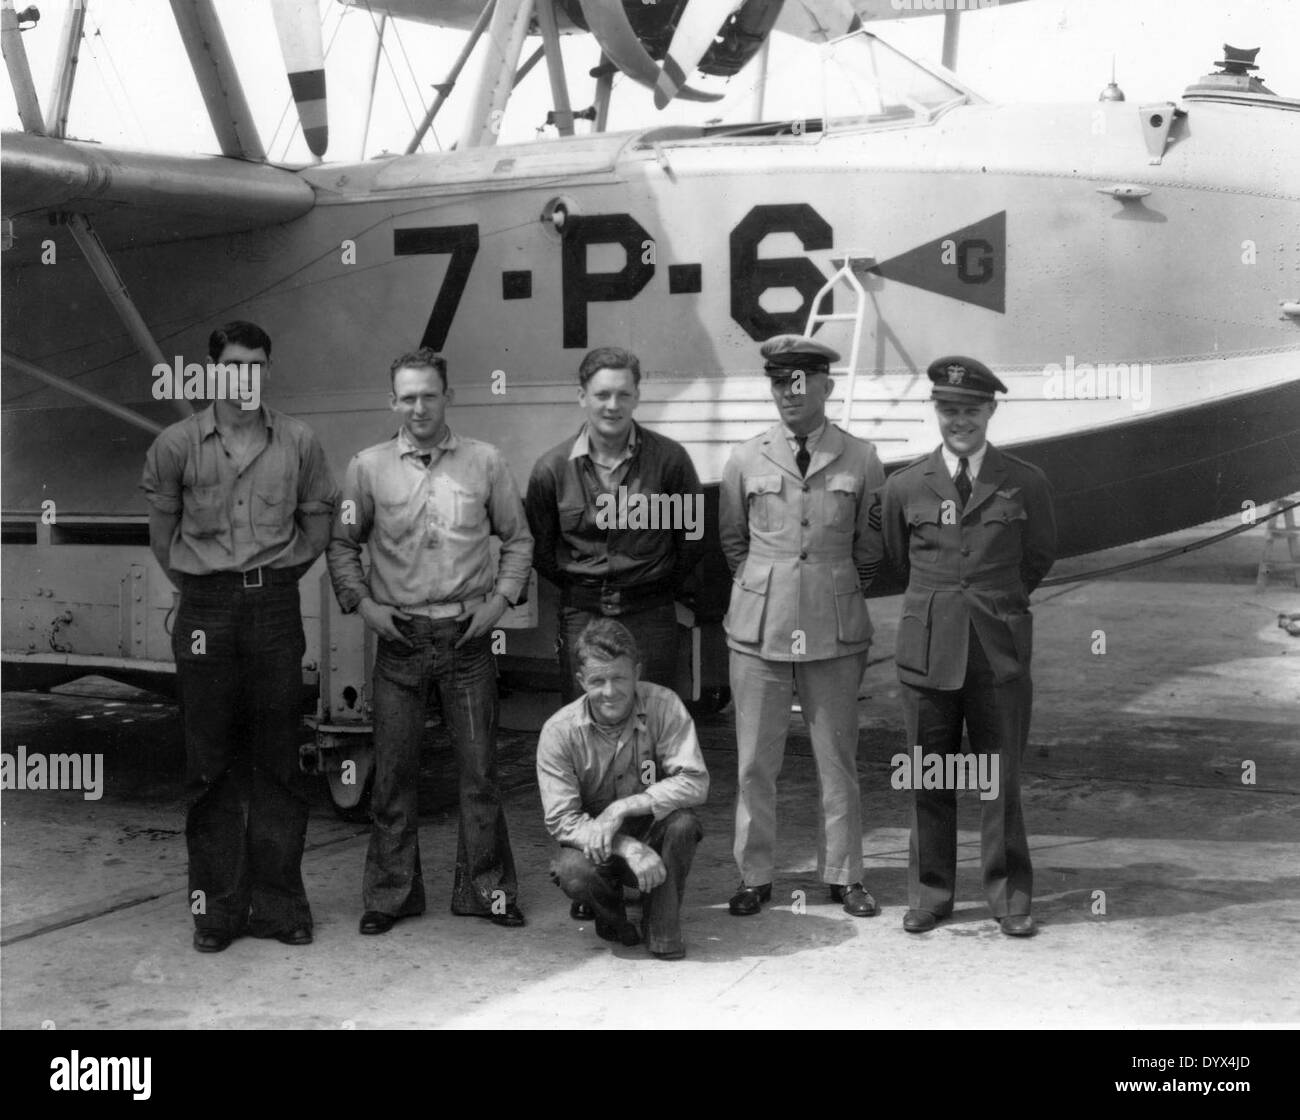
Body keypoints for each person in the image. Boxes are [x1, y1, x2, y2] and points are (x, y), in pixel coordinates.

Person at [141, 320, 337, 953]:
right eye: (233, 365)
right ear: (209, 370)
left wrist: (269, 580)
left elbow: (316, 529)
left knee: (279, 759)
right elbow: (162, 538)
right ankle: (217, 911)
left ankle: (280, 908)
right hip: (205, 614)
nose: (244, 377)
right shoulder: (176, 445)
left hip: (274, 610)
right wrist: (209, 587)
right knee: (210, 764)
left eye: (256, 364)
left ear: (266, 371)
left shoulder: (300, 443)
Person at [327, 348, 533, 934]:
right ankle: (390, 896)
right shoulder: (365, 468)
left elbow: (518, 540)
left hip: (468, 641)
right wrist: (364, 606)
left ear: (449, 396)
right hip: (399, 639)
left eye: (430, 394)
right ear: (393, 400)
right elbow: (342, 544)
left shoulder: (486, 463)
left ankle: (486, 891)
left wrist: (499, 602)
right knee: (393, 775)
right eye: (408, 396)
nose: (419, 406)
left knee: (481, 773)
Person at [880, 356, 1057, 937]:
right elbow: (897, 561)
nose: (960, 420)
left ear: (990, 411)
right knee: (927, 776)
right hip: (928, 653)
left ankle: (1009, 900)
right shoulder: (904, 485)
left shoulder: (1025, 480)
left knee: (999, 779)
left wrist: (997, 604)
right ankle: (930, 895)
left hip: (997, 652)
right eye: (949, 410)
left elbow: (1038, 557)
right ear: (937, 412)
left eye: (971, 410)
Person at [718, 334, 886, 918]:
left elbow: (870, 549)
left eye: (800, 381)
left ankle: (844, 875)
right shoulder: (745, 457)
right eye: (777, 382)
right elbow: (734, 544)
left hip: (834, 627)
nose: (788, 393)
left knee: (836, 757)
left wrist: (826, 590)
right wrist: (773, 589)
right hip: (759, 628)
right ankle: (755, 875)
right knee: (754, 760)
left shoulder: (861, 457)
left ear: (825, 386)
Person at [525, 346, 705, 703]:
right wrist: (583, 585)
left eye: (623, 394)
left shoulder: (670, 460)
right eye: (602, 394)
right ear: (582, 397)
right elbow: (541, 551)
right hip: (583, 613)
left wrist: (655, 583)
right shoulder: (552, 468)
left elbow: (693, 538)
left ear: (637, 397)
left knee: (651, 714)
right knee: (586, 717)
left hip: (650, 613)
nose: (613, 405)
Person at [537, 619, 709, 960]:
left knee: (683, 824)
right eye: (598, 681)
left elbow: (695, 781)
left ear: (637, 673)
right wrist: (626, 846)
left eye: (619, 678)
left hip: (651, 829)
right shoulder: (558, 732)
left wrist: (623, 808)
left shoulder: (665, 705)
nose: (610, 691)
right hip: (597, 844)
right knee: (571, 871)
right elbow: (561, 820)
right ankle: (610, 916)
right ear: (581, 681)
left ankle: (661, 925)